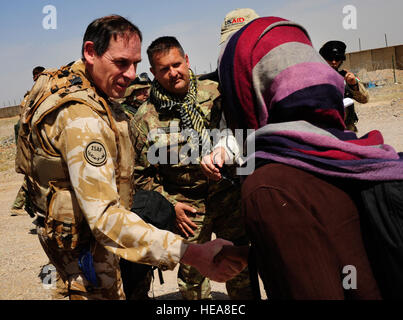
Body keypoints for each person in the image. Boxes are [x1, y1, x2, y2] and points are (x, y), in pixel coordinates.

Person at [15, 15, 247, 300]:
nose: (130, 74)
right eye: (121, 63)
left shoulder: (81, 89)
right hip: (90, 258)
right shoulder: (83, 119)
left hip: (95, 247)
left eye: (134, 63)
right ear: (90, 52)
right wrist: (189, 252)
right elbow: (105, 218)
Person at [203, 16, 403, 299]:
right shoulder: (360, 152)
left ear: (243, 90)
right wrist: (262, 252)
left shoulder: (268, 188)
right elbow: (339, 241)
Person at [131, 36, 253, 300]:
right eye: (164, 69)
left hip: (229, 199)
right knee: (192, 276)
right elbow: (141, 176)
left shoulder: (218, 94)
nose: (173, 73)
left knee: (241, 268)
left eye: (177, 64)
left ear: (186, 60)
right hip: (186, 207)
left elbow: (245, 136)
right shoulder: (145, 117)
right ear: (153, 72)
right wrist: (170, 206)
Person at [10, 66, 45, 216]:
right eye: (39, 76)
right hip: (31, 142)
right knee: (32, 176)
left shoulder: (41, 93)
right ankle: (20, 206)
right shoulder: (32, 97)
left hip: (36, 141)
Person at [319, 40, 369, 132]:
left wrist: (354, 85)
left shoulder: (346, 76)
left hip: (347, 129)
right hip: (326, 131)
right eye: (330, 58)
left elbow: (364, 99)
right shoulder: (314, 78)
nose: (334, 62)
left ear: (341, 60)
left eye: (337, 59)